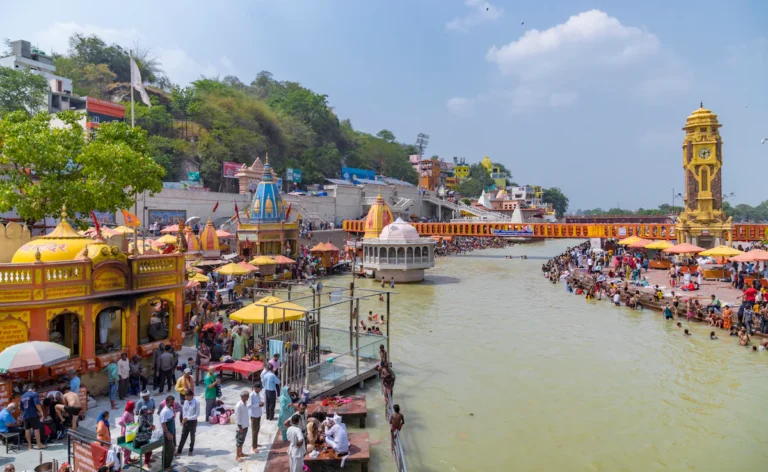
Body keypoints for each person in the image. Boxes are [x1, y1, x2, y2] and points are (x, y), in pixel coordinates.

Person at [20, 384, 45, 450]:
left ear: (28, 389)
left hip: (25, 415)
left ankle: (29, 445)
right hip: (33, 414)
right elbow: (37, 404)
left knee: (27, 430)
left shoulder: (22, 396)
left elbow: (21, 408)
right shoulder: (34, 394)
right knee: (36, 429)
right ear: (34, 389)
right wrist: (41, 412)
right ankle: (39, 444)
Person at [177, 390, 199, 456]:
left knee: (192, 436)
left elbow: (197, 414)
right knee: (183, 436)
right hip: (186, 421)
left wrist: (188, 418)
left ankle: (191, 450)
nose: (185, 398)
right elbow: (184, 411)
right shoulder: (186, 402)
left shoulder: (196, 402)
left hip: (193, 422)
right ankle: (179, 450)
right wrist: (184, 418)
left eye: (186, 396)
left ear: (191, 396)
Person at [159, 396, 177, 469]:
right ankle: (166, 466)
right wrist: (167, 433)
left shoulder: (170, 409)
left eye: (173, 402)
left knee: (168, 449)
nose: (172, 404)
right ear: (166, 402)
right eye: (171, 402)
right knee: (170, 450)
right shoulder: (164, 411)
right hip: (167, 434)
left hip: (171, 433)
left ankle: (166, 465)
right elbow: (163, 423)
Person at [234, 390, 250, 462]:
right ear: (243, 397)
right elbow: (237, 418)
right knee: (239, 442)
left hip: (245, 425)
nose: (248, 398)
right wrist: (240, 427)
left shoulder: (245, 403)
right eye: (247, 396)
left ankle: (241, 453)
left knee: (242, 441)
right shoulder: (238, 406)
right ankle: (237, 456)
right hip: (241, 427)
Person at [248, 382, 264, 453]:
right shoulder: (251, 395)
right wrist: (258, 405)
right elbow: (249, 406)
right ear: (256, 388)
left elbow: (258, 402)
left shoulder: (257, 394)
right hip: (254, 415)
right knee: (254, 431)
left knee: (257, 429)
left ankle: (255, 443)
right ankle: (254, 447)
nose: (260, 390)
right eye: (260, 388)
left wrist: (261, 403)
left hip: (258, 414)